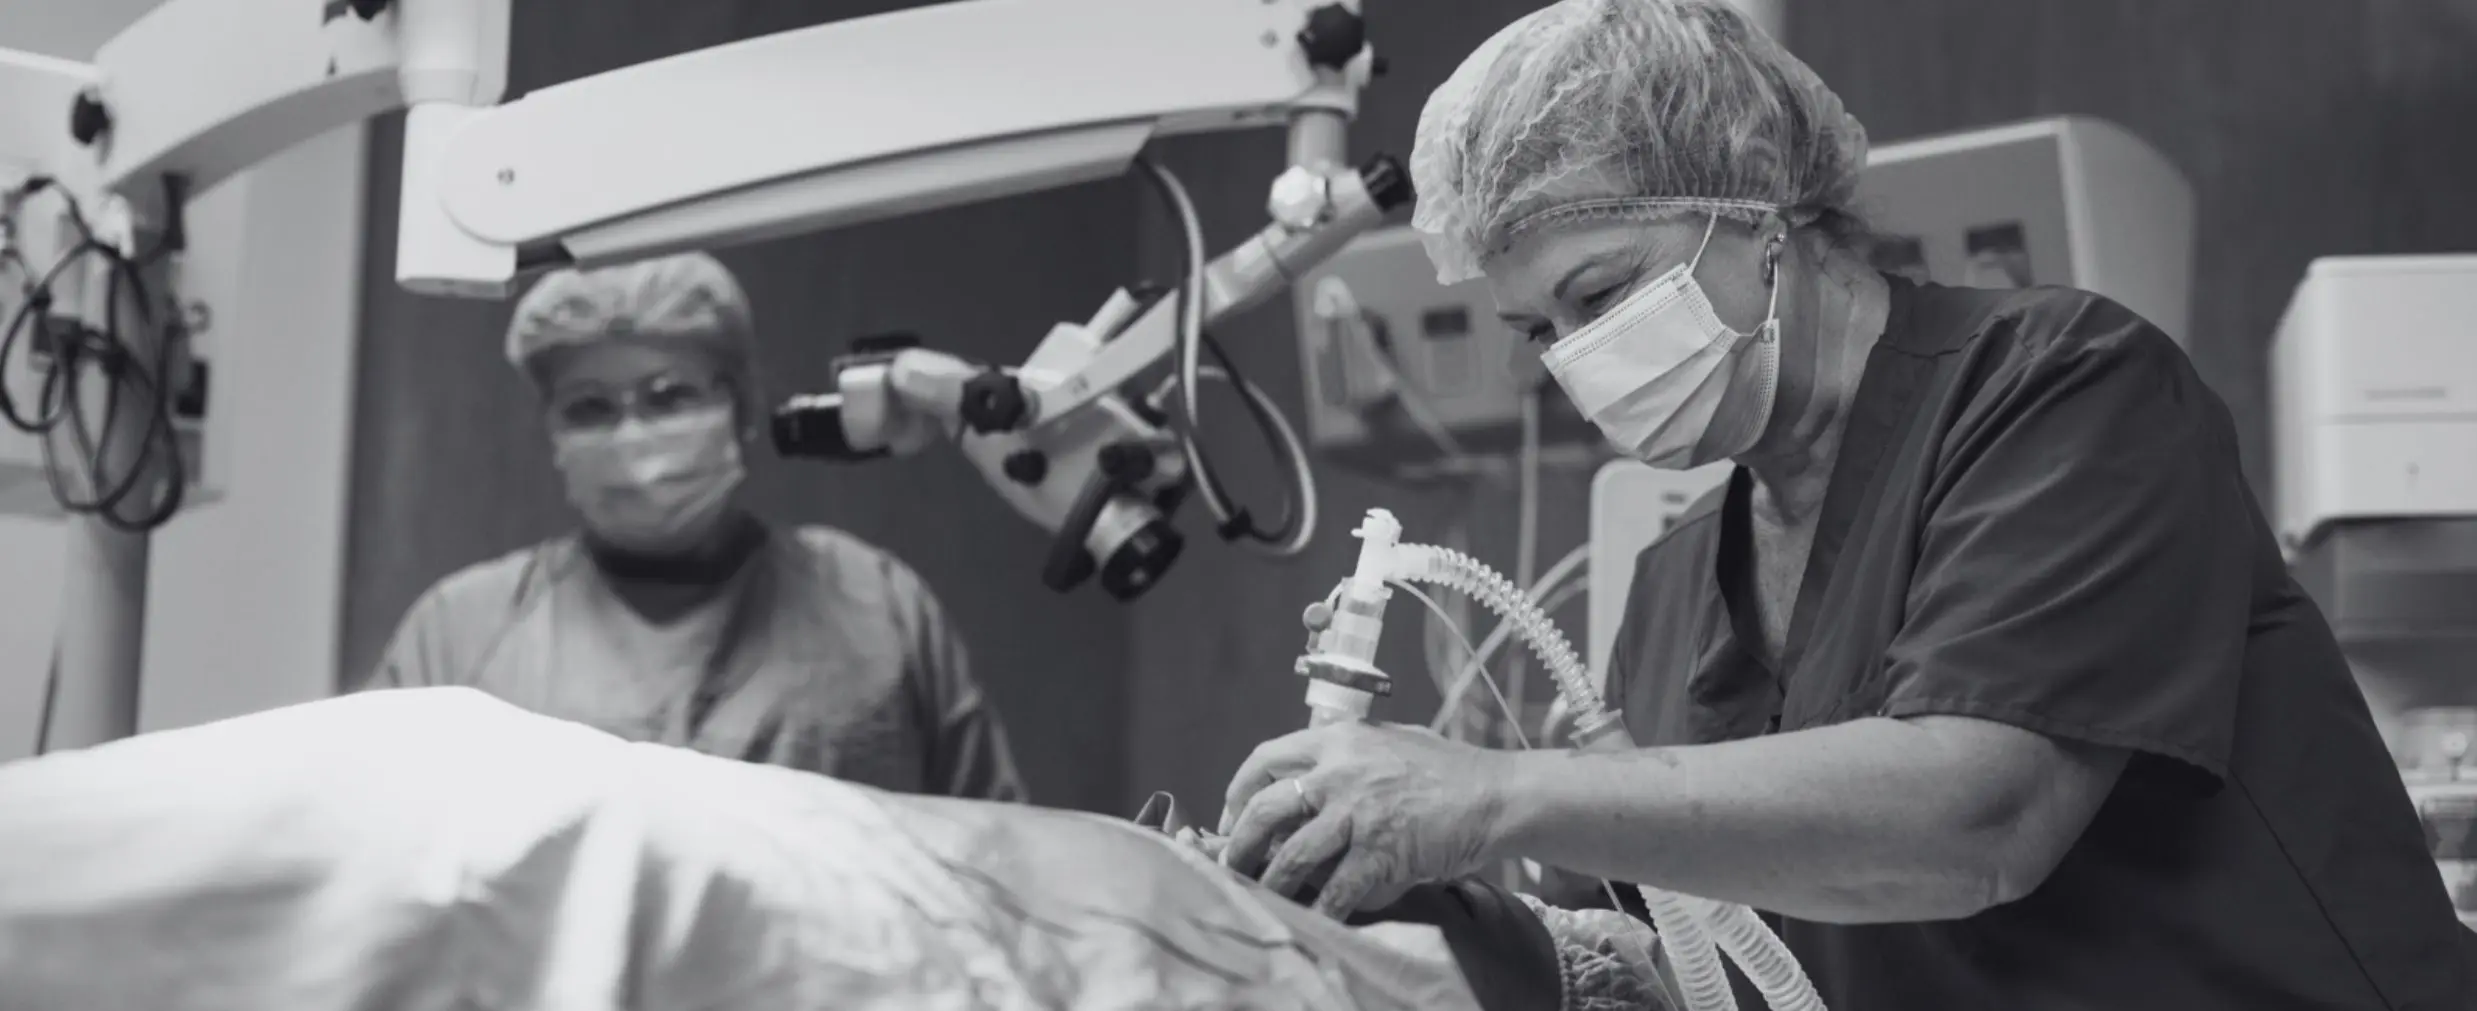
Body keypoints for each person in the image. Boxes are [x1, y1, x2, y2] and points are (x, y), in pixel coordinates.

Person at [1210, 1, 2476, 1007]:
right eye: (1537, 330)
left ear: (1760, 202)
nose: (1575, 358)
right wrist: (1395, 882)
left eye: (1599, 295)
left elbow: (1978, 819)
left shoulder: (2065, 392)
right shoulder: (1671, 590)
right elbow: (1686, 962)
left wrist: (1487, 790)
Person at [364, 252, 1026, 804]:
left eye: (669, 395)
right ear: (551, 431)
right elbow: (367, 853)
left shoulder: (873, 605)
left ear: (742, 406)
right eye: (589, 408)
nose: (632, 436)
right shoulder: (461, 632)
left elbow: (993, 852)